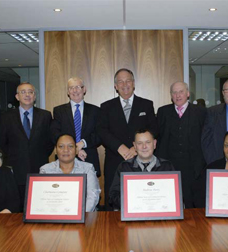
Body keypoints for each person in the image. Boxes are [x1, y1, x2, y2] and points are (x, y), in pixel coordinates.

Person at [97, 68, 157, 210]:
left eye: (128, 80)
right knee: (113, 202)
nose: (125, 84)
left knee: (141, 199)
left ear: (134, 83)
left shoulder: (146, 105)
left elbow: (154, 129)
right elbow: (102, 131)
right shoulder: (106, 107)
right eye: (120, 82)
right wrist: (119, 147)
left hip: (142, 160)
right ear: (115, 86)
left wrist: (135, 148)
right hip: (115, 159)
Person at [0, 82, 53, 210]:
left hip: (39, 168)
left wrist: (41, 155)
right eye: (23, 92)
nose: (27, 95)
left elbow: (50, 141)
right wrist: (14, 157)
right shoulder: (6, 117)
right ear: (17, 97)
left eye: (30, 92)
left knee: (39, 207)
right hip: (16, 171)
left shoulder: (45, 115)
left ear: (34, 96)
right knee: (18, 208)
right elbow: (2, 142)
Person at [156, 81, 207, 208]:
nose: (178, 95)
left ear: (188, 94)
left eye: (181, 91)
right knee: (169, 202)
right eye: (174, 92)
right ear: (171, 95)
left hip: (193, 167)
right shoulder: (163, 112)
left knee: (192, 204)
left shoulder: (201, 112)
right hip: (169, 166)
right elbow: (158, 136)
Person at [109, 129, 174, 210]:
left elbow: (174, 196)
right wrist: (134, 201)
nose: (144, 146)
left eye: (148, 142)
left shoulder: (166, 167)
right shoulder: (124, 167)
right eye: (140, 143)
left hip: (160, 215)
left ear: (154, 144)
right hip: (132, 216)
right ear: (135, 146)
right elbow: (113, 196)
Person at [50, 77, 101, 176]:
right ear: (68, 92)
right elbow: (55, 134)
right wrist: (74, 148)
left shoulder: (95, 111)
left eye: (78, 87)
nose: (75, 90)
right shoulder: (59, 111)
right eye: (71, 88)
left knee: (89, 190)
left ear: (84, 89)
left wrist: (82, 144)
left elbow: (99, 134)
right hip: (65, 159)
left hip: (88, 157)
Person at [40, 134, 100, 212]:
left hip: (84, 216)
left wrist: (79, 216)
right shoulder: (45, 170)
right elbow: (42, 199)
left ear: (76, 150)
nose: (66, 150)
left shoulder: (87, 169)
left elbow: (92, 197)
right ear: (55, 150)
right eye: (61, 146)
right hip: (54, 216)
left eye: (70, 146)